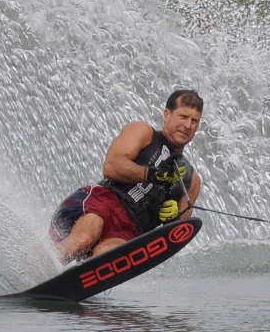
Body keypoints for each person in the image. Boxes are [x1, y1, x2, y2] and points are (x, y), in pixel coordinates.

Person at [50, 89, 203, 264]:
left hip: (130, 232)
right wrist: (152, 174)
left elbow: (175, 235)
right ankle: (38, 270)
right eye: (183, 116)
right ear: (167, 114)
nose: (188, 125)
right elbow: (111, 166)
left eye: (194, 121)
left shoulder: (192, 181)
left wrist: (173, 219)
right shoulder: (143, 132)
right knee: (84, 239)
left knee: (106, 255)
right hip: (102, 202)